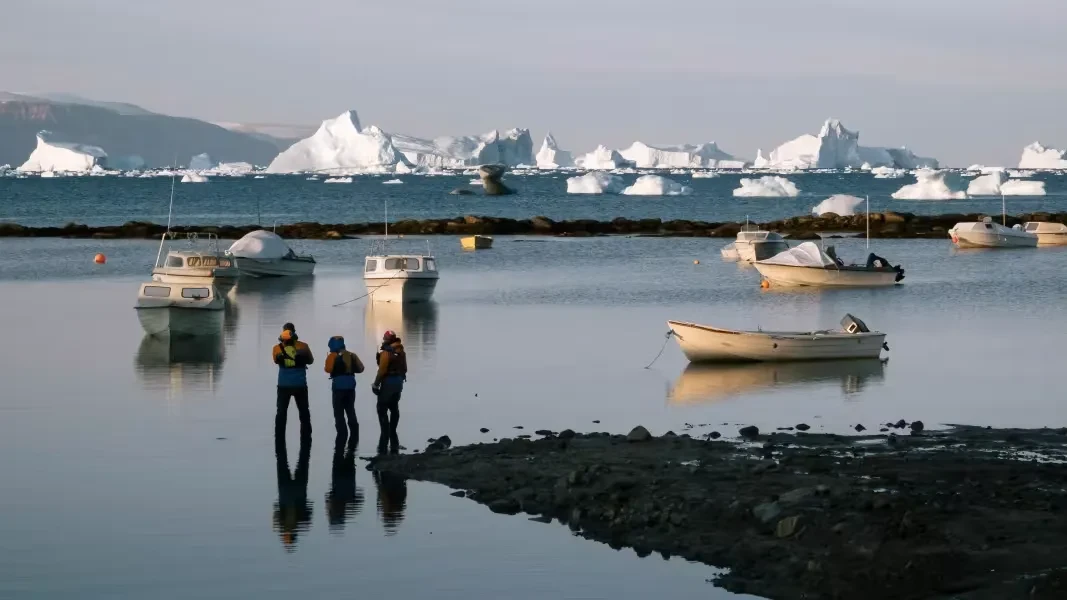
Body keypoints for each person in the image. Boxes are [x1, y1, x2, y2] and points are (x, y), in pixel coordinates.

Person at [273, 322, 314, 437]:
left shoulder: (277, 348)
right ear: (294, 332)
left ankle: (279, 436)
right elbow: (310, 361)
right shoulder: (304, 346)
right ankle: (306, 436)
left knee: (281, 412)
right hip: (300, 384)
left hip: (283, 385)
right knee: (304, 411)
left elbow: (276, 361)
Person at [324, 335, 364, 441]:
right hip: (351, 387)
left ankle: (342, 435)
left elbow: (328, 369)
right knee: (350, 410)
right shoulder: (352, 355)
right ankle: (355, 435)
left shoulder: (332, 356)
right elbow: (361, 369)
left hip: (338, 387)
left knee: (338, 412)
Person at [372, 330, 407, 454]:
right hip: (399, 383)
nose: (383, 339)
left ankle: (385, 434)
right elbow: (405, 368)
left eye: (384, 338)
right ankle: (393, 432)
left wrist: (375, 384)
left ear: (387, 339)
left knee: (381, 407)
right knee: (394, 407)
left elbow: (382, 371)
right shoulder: (401, 351)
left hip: (388, 383)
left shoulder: (386, 353)